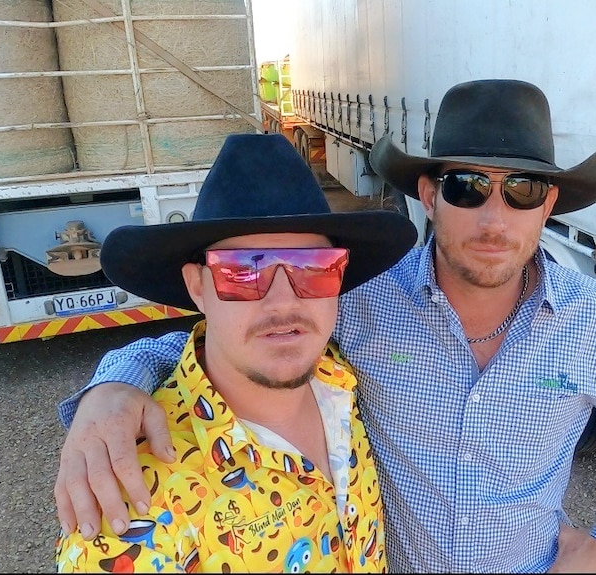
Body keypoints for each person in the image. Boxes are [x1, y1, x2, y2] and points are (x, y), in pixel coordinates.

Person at [55, 79, 596, 573]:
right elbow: (243, 333)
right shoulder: (365, 296)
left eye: (519, 190)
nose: (494, 217)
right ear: (428, 195)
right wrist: (113, 387)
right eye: (465, 186)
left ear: (548, 203)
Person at [54, 132, 417, 572]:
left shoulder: (342, 380)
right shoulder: (134, 507)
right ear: (196, 287)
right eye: (244, 271)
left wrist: (115, 381)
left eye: (315, 269)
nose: (285, 302)